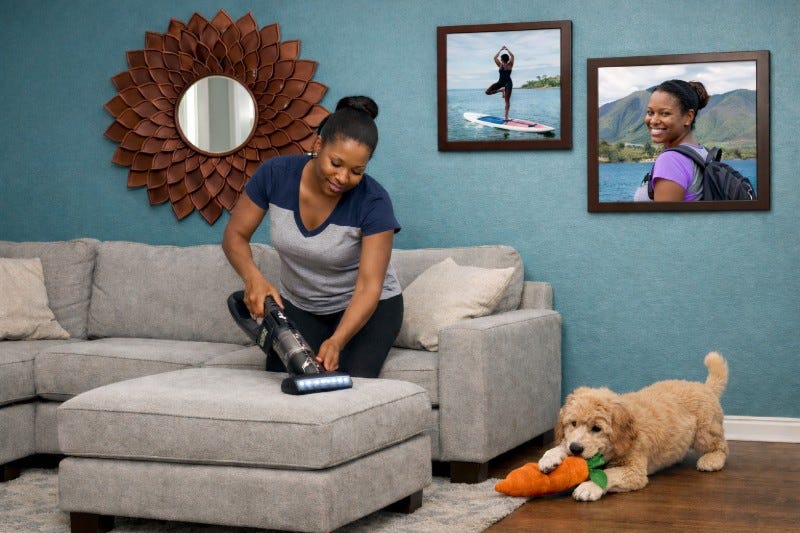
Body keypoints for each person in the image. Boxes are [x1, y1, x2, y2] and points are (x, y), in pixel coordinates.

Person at [222, 96, 403, 378]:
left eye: (357, 171)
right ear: (318, 145)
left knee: (344, 382)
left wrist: (337, 341)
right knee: (285, 382)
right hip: (300, 306)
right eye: (336, 163)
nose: (343, 178)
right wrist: (252, 278)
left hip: (366, 309)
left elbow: (369, 286)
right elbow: (235, 235)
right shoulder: (275, 175)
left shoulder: (374, 202)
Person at [637, 79, 711, 201]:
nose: (654, 120)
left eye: (665, 113)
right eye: (650, 112)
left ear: (688, 117)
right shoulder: (702, 152)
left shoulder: (670, 160)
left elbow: (664, 220)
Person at [485, 45, 514, 121]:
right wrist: (504, 49)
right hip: (500, 83)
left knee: (507, 101)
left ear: (501, 59)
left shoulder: (509, 65)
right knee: (487, 92)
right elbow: (495, 58)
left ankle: (506, 117)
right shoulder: (501, 65)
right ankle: (501, 90)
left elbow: (512, 56)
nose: (500, 60)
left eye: (501, 59)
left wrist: (502, 50)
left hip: (508, 83)